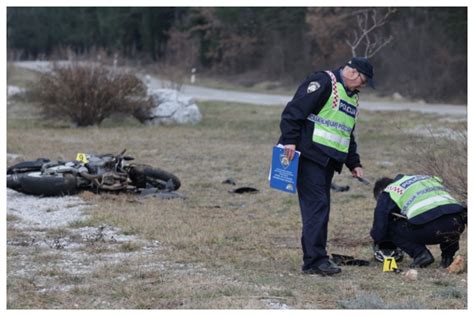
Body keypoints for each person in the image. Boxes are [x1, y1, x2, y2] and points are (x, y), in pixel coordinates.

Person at [278, 57, 374, 276]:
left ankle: (316, 258)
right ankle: (315, 261)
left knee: (320, 208)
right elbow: (294, 111)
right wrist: (289, 140)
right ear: (352, 72)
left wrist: (354, 162)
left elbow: (345, 131)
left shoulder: (351, 98)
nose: (363, 86)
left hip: (327, 161)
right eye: (363, 80)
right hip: (308, 155)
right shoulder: (323, 82)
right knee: (317, 208)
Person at [371, 175, 467, 268]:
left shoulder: (390, 191)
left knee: (389, 227)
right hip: (458, 222)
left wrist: (380, 240)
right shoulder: (424, 178)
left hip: (430, 228)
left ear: (380, 193)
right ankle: (447, 258)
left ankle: (420, 254)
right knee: (447, 218)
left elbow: (379, 229)